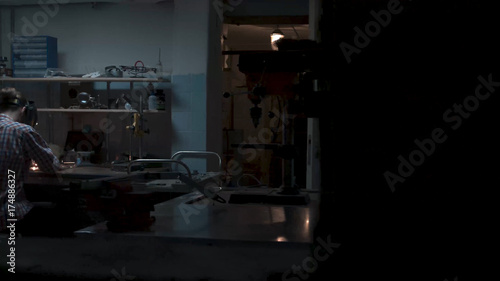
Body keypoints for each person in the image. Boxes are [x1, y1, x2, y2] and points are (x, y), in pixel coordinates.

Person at [0, 87, 65, 234]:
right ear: (24, 110)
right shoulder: (22, 131)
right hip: (8, 215)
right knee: (63, 212)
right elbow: (51, 167)